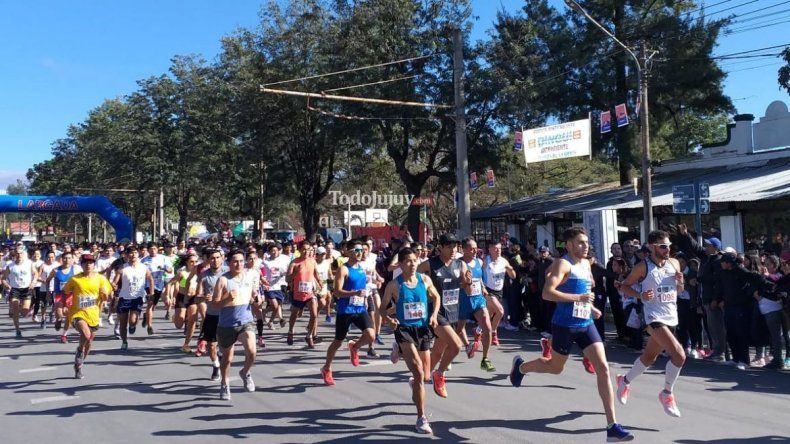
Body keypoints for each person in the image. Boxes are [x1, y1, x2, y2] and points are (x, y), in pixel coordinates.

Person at [509, 227, 633, 442]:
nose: (585, 246)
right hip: (564, 326)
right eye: (580, 242)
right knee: (555, 368)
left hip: (585, 324)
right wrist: (578, 299)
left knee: (603, 368)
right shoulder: (562, 264)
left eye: (586, 242)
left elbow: (586, 292)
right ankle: (520, 367)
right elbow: (548, 293)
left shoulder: (586, 263)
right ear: (568, 245)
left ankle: (612, 426)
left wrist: (590, 307)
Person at [615, 230, 686, 417]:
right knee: (679, 355)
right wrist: (640, 295)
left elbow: (679, 291)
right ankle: (667, 393)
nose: (667, 249)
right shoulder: (642, 267)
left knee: (649, 358)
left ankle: (624, 381)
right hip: (653, 318)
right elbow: (624, 286)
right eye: (663, 246)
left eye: (669, 246)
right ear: (652, 247)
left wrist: (681, 282)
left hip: (671, 316)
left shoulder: (674, 263)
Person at [380, 247, 440, 434]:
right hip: (404, 329)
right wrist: (389, 320)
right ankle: (421, 418)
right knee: (419, 372)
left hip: (422, 329)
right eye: (408, 261)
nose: (413, 264)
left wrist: (434, 315)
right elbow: (382, 309)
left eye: (415, 260)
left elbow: (436, 297)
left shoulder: (424, 279)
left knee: (426, 376)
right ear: (400, 264)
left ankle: (412, 376)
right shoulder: (394, 285)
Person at [418, 233, 468, 398]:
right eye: (449, 247)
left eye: (455, 246)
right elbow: (413, 283)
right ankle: (439, 374)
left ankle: (420, 380)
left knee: (438, 352)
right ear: (440, 248)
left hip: (453, 312)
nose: (453, 250)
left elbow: (467, 291)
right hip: (435, 312)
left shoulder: (461, 265)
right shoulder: (428, 265)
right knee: (456, 345)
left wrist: (467, 283)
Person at [321, 240, 375, 386]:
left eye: (361, 250)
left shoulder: (361, 268)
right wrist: (355, 292)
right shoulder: (343, 269)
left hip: (360, 309)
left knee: (371, 335)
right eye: (356, 250)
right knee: (338, 342)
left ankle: (355, 347)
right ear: (348, 252)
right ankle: (326, 368)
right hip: (345, 310)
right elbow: (337, 292)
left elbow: (362, 287)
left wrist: (365, 294)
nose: (360, 253)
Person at [211, 249, 261, 400]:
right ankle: (225, 383)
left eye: (241, 261)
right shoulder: (223, 280)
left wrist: (257, 299)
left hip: (246, 321)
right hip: (226, 324)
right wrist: (227, 299)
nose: (238, 264)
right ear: (229, 263)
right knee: (227, 359)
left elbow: (253, 294)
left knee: (252, 352)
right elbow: (215, 304)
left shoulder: (248, 276)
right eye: (235, 261)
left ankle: (245, 372)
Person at [676, 224, 726, 362]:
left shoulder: (718, 261)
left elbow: (716, 281)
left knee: (717, 327)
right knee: (711, 327)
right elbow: (695, 248)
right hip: (706, 299)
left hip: (713, 299)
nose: (706, 247)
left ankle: (720, 352)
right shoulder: (706, 257)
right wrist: (686, 235)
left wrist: (699, 280)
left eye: (709, 245)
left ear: (716, 248)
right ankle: (716, 351)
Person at [61, 254, 113, 379]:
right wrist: (64, 305)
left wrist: (105, 296)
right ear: (81, 265)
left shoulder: (101, 279)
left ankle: (79, 363)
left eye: (91, 263)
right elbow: (65, 292)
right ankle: (79, 351)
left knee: (89, 342)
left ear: (94, 265)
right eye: (85, 263)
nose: (88, 265)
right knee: (86, 335)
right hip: (77, 313)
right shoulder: (75, 279)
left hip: (94, 314)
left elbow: (108, 294)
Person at [457, 237, 495, 372]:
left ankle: (485, 359)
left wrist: (483, 288)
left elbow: (479, 280)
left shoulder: (479, 262)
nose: (475, 251)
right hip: (462, 300)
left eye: (476, 248)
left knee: (487, 328)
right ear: (464, 249)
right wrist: (464, 283)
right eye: (472, 249)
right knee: (458, 328)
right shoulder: (458, 263)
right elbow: (454, 283)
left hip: (478, 299)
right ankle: (467, 345)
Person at [113, 246, 154, 351]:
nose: (133, 255)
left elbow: (150, 279)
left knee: (133, 320)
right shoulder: (122, 268)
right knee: (123, 322)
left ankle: (132, 326)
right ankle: (124, 342)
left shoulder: (143, 267)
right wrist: (113, 286)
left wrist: (151, 293)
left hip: (137, 297)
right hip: (124, 297)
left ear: (138, 254)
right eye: (130, 253)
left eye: (135, 252)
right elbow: (114, 282)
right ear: (126, 255)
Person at [196, 248, 227, 381]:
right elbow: (196, 298)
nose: (215, 260)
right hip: (212, 314)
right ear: (208, 260)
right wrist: (204, 297)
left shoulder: (228, 273)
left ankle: (221, 355)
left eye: (217, 257)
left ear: (222, 258)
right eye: (212, 258)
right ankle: (215, 365)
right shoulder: (204, 275)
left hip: (227, 314)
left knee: (225, 346)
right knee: (210, 345)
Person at [286, 241, 322, 348]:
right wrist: (295, 273)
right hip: (297, 294)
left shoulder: (312, 261)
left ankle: (309, 335)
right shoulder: (294, 263)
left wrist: (320, 283)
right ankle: (291, 331)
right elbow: (287, 279)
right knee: (294, 315)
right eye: (304, 249)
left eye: (308, 249)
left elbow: (316, 274)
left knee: (314, 315)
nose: (306, 251)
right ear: (299, 250)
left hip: (310, 293)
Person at [482, 241, 516, 345]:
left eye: (500, 249)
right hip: (488, 290)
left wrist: (510, 270)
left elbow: (513, 276)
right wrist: (482, 287)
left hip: (499, 291)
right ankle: (493, 333)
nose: (498, 251)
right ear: (490, 249)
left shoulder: (504, 261)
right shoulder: (485, 261)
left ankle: (479, 331)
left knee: (489, 314)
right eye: (496, 249)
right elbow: (478, 275)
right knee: (500, 312)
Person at [2, 246, 39, 338]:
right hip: (15, 289)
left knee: (25, 313)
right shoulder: (10, 265)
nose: (19, 255)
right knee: (15, 309)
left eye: (21, 253)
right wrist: (7, 285)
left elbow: (36, 274)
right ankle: (18, 330)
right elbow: (3, 279)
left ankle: (21, 310)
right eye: (17, 253)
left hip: (27, 289)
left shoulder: (29, 263)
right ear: (15, 254)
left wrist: (34, 282)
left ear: (24, 254)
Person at [48, 251, 82, 343]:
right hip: (59, 294)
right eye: (65, 258)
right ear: (62, 259)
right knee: (60, 312)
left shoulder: (76, 270)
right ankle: (58, 319)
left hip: (71, 295)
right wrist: (48, 292)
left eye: (69, 258)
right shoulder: (56, 270)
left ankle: (64, 335)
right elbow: (48, 280)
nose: (67, 260)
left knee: (68, 315)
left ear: (72, 259)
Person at [141, 243, 174, 335]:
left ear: (157, 249)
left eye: (154, 249)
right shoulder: (143, 260)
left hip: (159, 285)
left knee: (153, 306)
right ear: (148, 250)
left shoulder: (163, 258)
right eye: (151, 249)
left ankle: (146, 316)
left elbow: (171, 270)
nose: (153, 251)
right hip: (148, 286)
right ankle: (149, 326)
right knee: (150, 304)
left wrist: (165, 269)